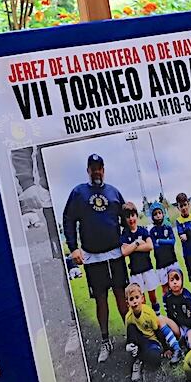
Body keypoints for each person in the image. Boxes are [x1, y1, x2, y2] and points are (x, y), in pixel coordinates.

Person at [61, 152, 135, 362]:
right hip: (93, 257)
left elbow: (126, 217)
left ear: (103, 169)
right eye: (93, 167)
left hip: (115, 254)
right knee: (101, 301)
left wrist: (130, 237)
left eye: (99, 167)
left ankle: (132, 337)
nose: (96, 171)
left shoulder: (114, 192)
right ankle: (105, 341)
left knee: (123, 297)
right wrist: (73, 247)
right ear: (88, 170)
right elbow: (68, 219)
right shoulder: (78, 193)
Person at [122, 283, 184, 381]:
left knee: (155, 361)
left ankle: (142, 355)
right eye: (131, 299)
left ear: (142, 298)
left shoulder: (148, 312)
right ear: (127, 303)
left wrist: (166, 348)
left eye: (137, 297)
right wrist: (130, 343)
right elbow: (130, 334)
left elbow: (158, 331)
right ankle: (137, 359)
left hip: (152, 341)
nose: (135, 301)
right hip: (140, 340)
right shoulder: (128, 317)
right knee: (131, 328)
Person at [120, 206, 160, 296]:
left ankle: (156, 310)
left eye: (132, 215)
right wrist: (137, 242)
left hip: (147, 268)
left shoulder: (143, 230)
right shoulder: (125, 234)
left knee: (152, 296)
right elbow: (124, 252)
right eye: (128, 217)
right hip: (135, 271)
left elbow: (150, 246)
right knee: (140, 297)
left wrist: (132, 247)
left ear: (136, 216)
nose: (131, 219)